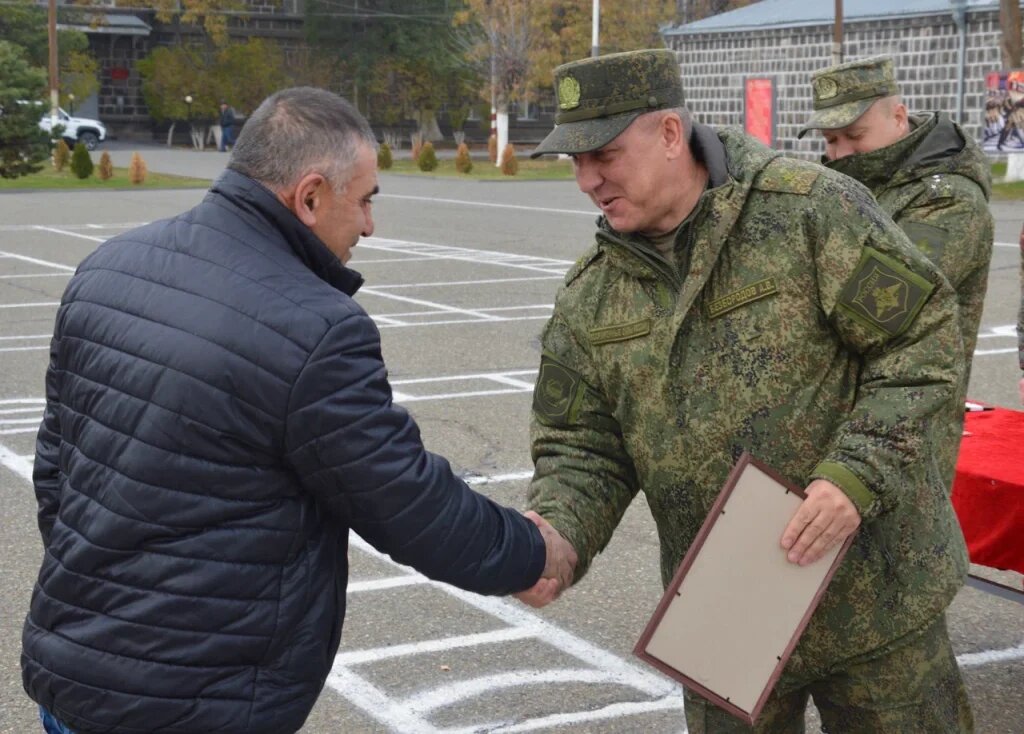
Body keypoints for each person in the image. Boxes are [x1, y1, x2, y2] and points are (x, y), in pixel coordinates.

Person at [22, 87, 576, 734]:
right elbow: (404, 501)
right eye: (365, 199)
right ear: (309, 196)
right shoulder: (315, 329)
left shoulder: (106, 269)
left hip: (73, 684)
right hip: (196, 704)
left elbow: (55, 471)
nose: (370, 224)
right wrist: (530, 556)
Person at [525, 50, 970, 733]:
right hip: (725, 614)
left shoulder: (808, 211)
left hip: (876, 595)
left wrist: (857, 474)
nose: (587, 180)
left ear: (670, 135)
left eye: (605, 155)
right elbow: (582, 448)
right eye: (575, 162)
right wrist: (557, 535)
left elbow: (920, 339)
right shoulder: (592, 295)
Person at [798, 55, 994, 389]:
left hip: (906, 406)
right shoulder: (849, 184)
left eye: (855, 134)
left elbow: (877, 314)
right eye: (830, 140)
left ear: (899, 118)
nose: (841, 153)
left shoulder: (947, 199)